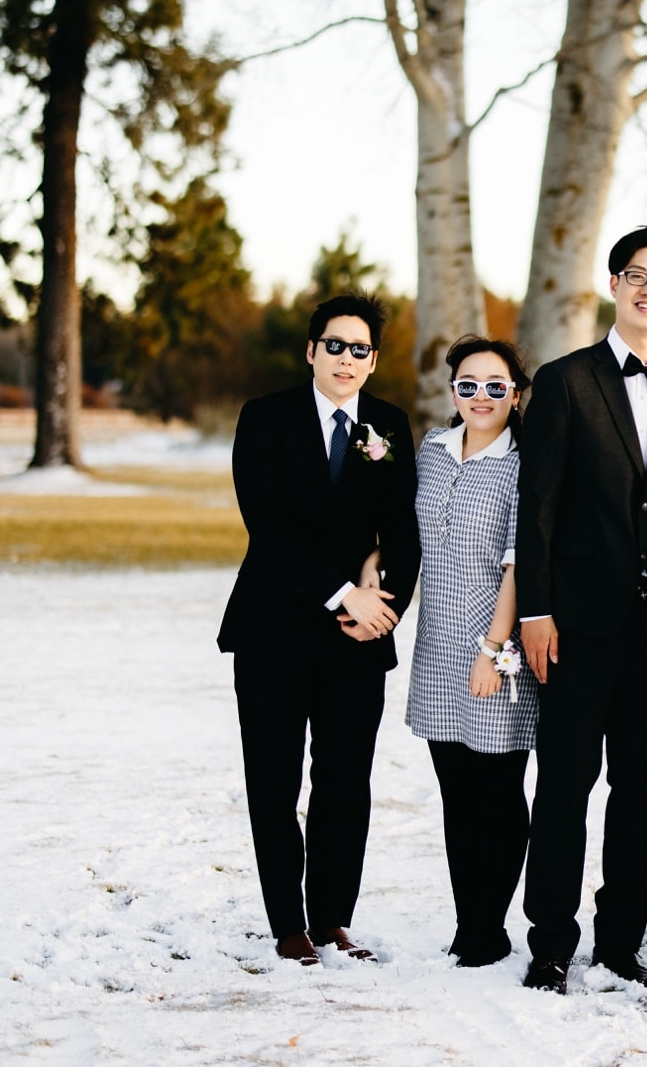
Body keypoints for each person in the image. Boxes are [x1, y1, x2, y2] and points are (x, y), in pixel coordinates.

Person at [516, 224, 647, 994]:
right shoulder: (565, 380)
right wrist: (536, 612)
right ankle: (549, 942)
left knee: (645, 790)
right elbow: (534, 509)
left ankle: (621, 940)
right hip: (571, 627)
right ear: (613, 284)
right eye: (636, 273)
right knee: (564, 787)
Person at [216, 293, 420, 966]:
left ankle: (333, 916)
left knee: (344, 781)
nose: (345, 357)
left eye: (359, 348)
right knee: (274, 782)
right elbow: (267, 527)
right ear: (310, 351)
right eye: (334, 344)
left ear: (373, 360)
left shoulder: (388, 424)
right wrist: (342, 594)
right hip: (272, 631)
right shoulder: (265, 417)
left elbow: (403, 531)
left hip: (358, 641)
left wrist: (379, 600)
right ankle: (288, 925)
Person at [400, 336, 537, 968]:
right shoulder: (429, 451)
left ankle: (490, 924)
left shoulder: (525, 462)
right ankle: (468, 920)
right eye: (468, 385)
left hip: (494, 648)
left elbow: (518, 564)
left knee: (499, 792)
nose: (481, 397)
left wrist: (492, 648)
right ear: (452, 390)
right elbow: (398, 529)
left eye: (496, 385)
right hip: (436, 643)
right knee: (455, 790)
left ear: (516, 392)